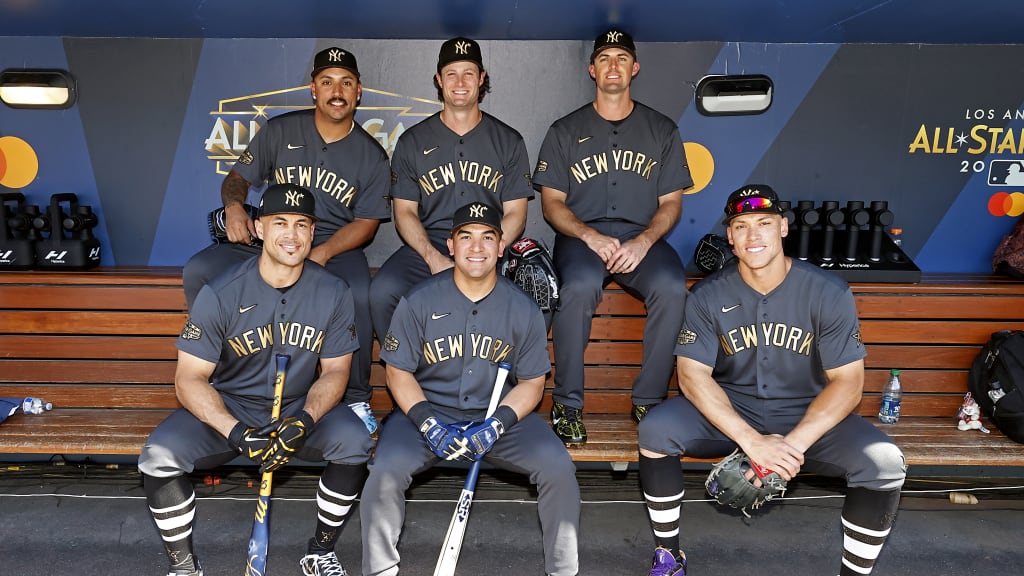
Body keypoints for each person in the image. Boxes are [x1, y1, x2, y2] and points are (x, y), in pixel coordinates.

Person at [636, 185, 907, 576]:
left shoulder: (827, 292)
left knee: (883, 463)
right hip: (734, 410)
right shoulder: (708, 294)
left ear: (783, 227)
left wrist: (790, 448)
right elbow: (692, 376)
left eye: (764, 223)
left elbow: (848, 383)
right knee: (656, 431)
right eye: (741, 226)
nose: (753, 236)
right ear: (730, 236)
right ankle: (668, 554)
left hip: (807, 414)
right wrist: (751, 441)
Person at [139, 184, 374, 576]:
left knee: (354, 442)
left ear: (313, 232)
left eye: (302, 224)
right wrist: (236, 433)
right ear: (260, 228)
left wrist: (306, 420)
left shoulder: (333, 292)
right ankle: (183, 566)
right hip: (231, 407)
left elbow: (335, 372)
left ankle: (320, 551)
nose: (292, 234)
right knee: (159, 456)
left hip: (299, 404)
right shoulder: (223, 291)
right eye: (280, 222)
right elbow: (189, 380)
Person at [360, 201, 579, 576]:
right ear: (450, 245)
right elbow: (397, 373)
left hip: (498, 419)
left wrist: (499, 423)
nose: (476, 248)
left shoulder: (522, 307)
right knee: (385, 472)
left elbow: (532, 383)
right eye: (466, 237)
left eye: (487, 237)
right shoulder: (419, 299)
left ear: (500, 246)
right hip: (426, 414)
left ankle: (563, 571)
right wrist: (427, 421)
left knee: (558, 468)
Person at [183, 46, 391, 434]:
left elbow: (366, 223)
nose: (336, 91)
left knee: (359, 293)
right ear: (313, 89)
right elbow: (237, 179)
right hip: (274, 234)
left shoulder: (372, 155)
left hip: (332, 239)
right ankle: (217, 372)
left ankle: (357, 397)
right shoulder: (280, 131)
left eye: (346, 83)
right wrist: (235, 208)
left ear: (358, 91)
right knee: (200, 269)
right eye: (327, 82)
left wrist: (323, 252)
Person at [532, 29, 692, 445]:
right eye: (605, 58)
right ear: (592, 70)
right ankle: (567, 403)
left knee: (674, 287)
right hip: (582, 238)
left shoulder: (661, 129)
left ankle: (649, 400)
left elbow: (672, 203)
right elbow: (552, 204)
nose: (614, 66)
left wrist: (643, 242)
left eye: (622, 58)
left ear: (634, 68)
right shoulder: (565, 130)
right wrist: (589, 236)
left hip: (643, 237)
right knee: (580, 286)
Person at [369, 36, 534, 347]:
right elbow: (404, 212)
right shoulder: (413, 141)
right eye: (451, 73)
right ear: (438, 79)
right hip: (432, 241)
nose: (460, 82)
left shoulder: (508, 140)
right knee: (383, 290)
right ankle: (408, 374)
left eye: (469, 73)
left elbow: (516, 213)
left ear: (482, 79)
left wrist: (488, 250)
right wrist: (432, 257)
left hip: (486, 243)